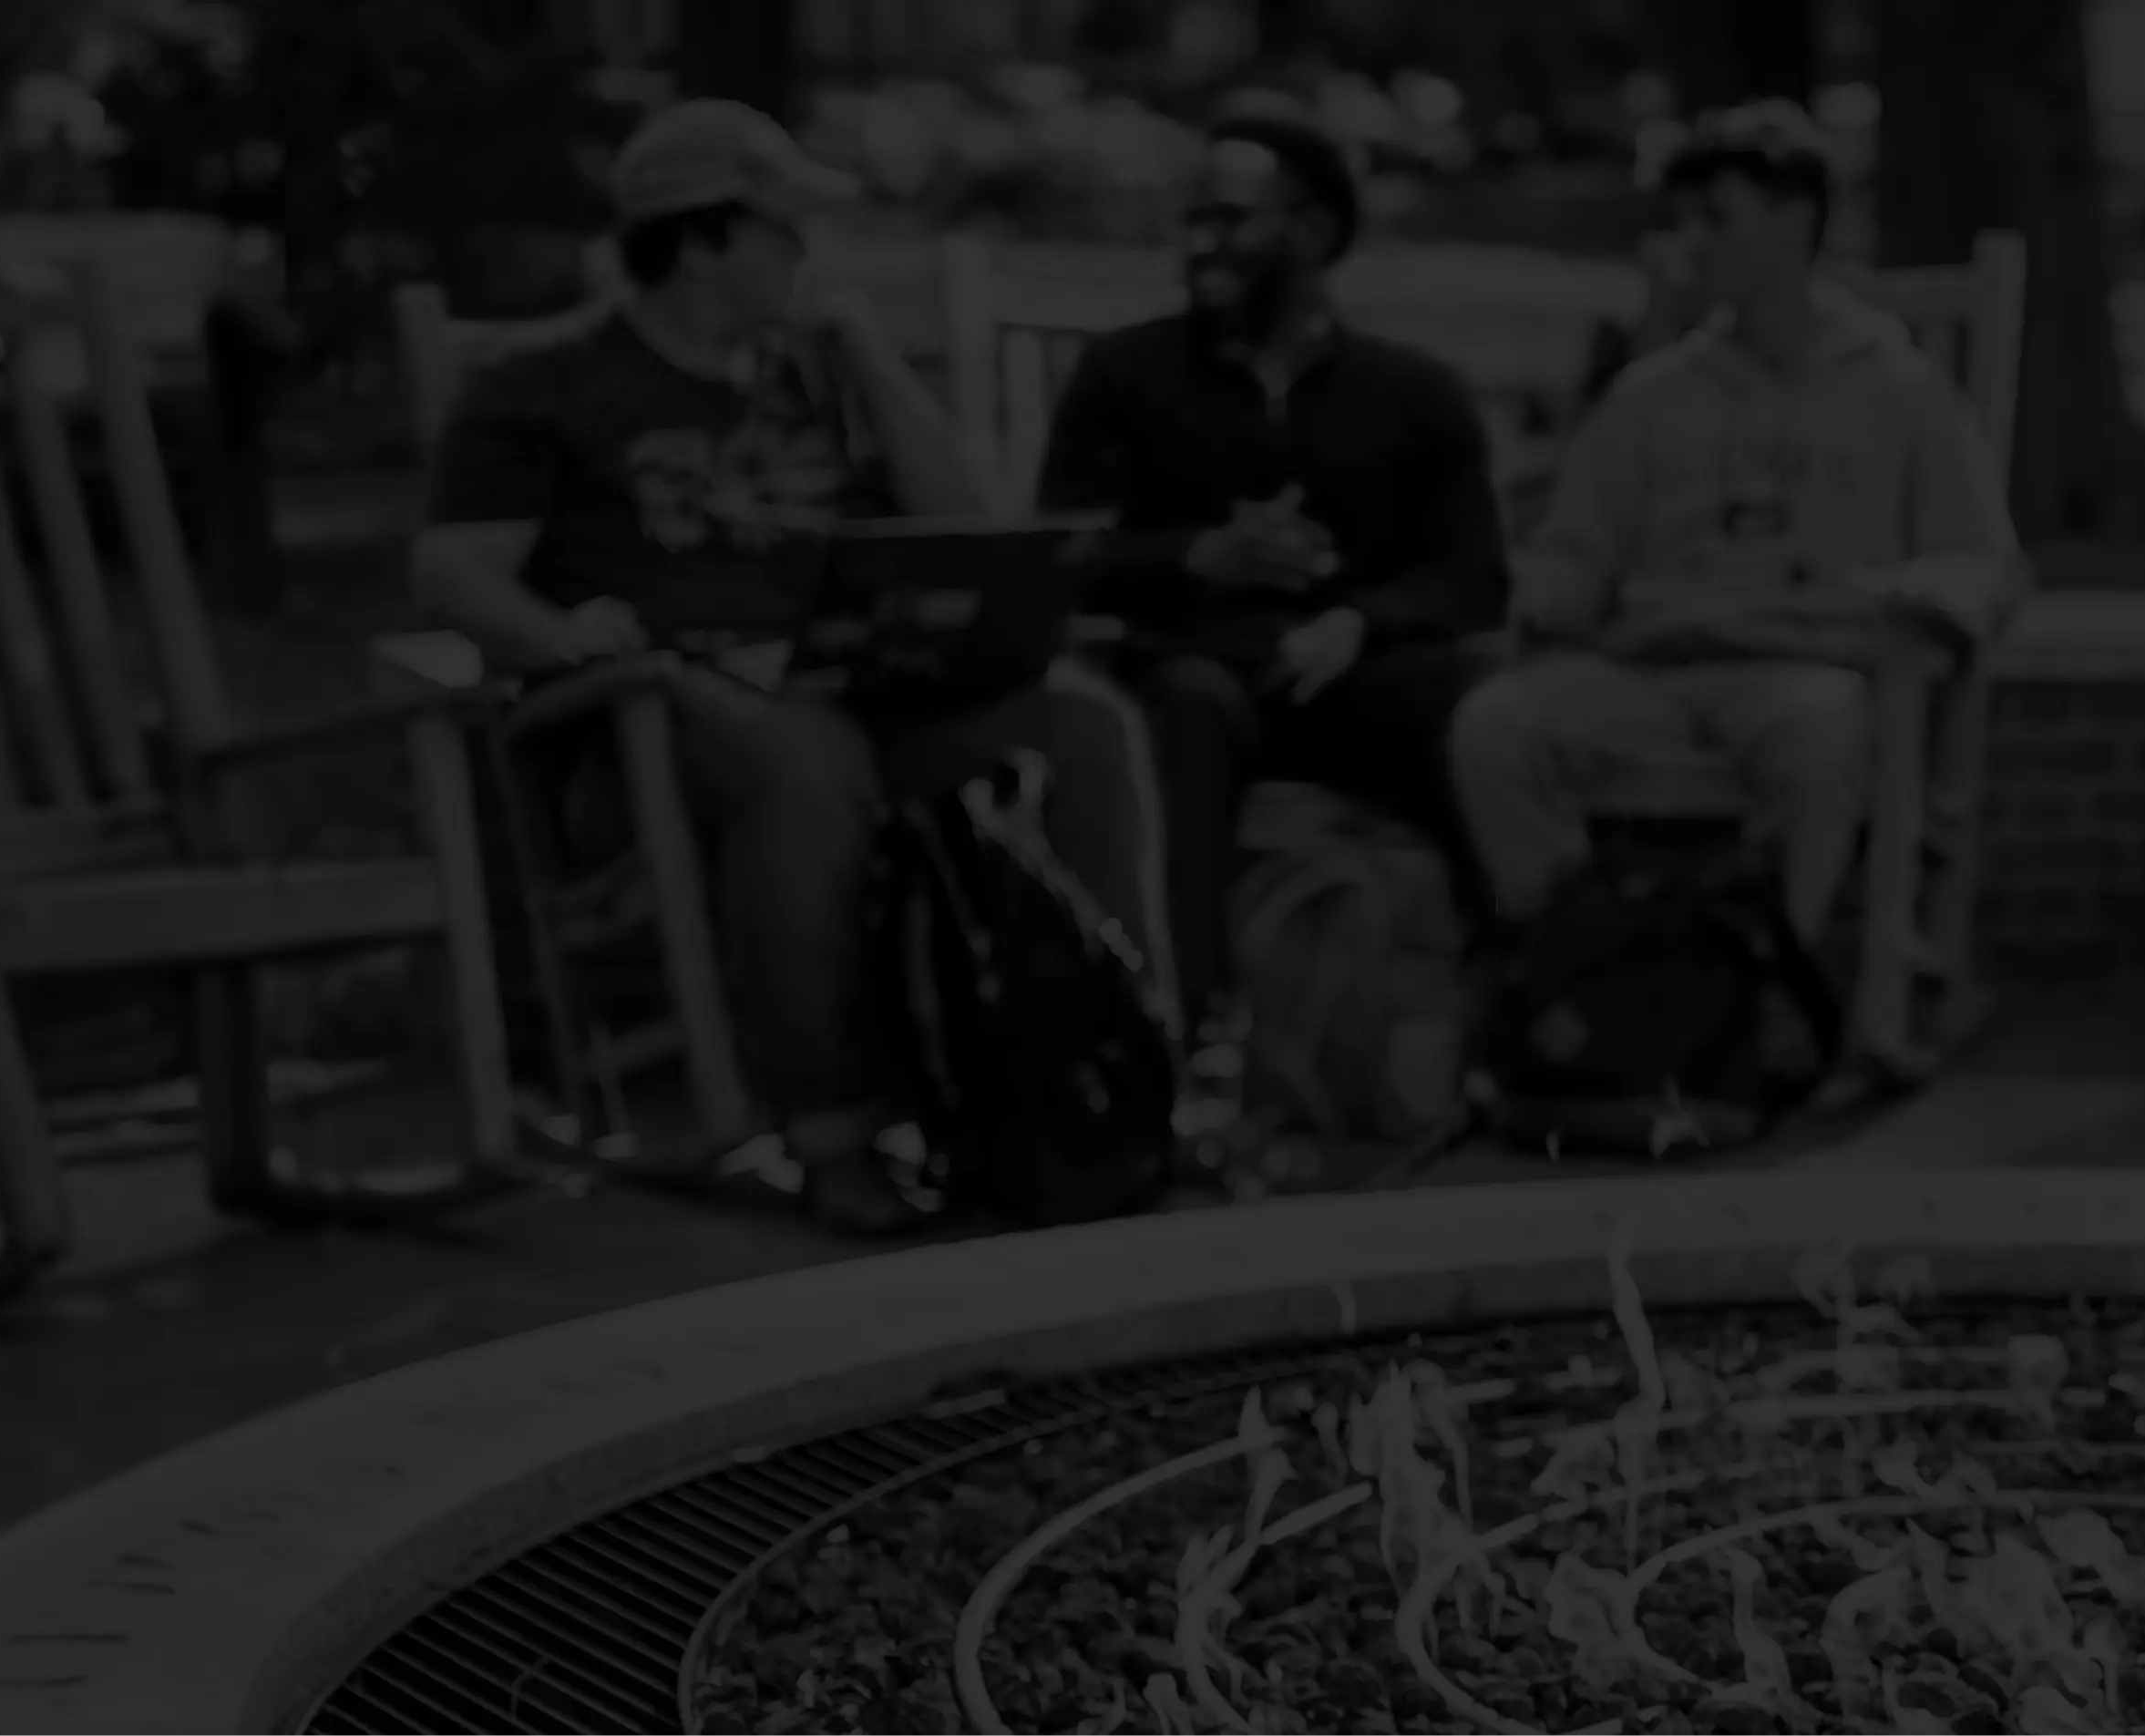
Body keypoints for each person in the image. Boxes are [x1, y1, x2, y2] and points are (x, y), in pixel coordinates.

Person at [411, 99, 1166, 1235]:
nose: (808, 252)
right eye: (783, 229)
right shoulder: (542, 382)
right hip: (650, 722)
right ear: (701, 240)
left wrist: (867, 356)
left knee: (1080, 723)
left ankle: (1124, 1070)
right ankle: (833, 1132)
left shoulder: (814, 373)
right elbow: (451, 575)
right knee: (805, 758)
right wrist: (562, 637)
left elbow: (961, 522)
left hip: (853, 690)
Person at [1453, 108, 2023, 945]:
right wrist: (1531, 595)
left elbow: (1979, 561)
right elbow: (1578, 553)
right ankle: (1577, 966)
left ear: (1795, 221)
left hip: (1804, 672)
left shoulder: (1899, 389)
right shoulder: (1652, 396)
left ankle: (1773, 978)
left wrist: (1902, 600)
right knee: (1495, 729)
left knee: (1819, 736)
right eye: (1681, 219)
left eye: (1716, 218)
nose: (1689, 243)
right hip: (1649, 669)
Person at [1031, 115, 1513, 1063]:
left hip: (1353, 678)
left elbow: (1472, 578)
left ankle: (1499, 1013)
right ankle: (1185, 1031)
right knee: (1183, 711)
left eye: (1231, 218)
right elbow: (1060, 556)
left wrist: (1357, 620)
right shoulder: (1125, 377)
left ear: (1314, 231)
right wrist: (1196, 557)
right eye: (1193, 219)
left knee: (1471, 707)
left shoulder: (1415, 395)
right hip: (1192, 666)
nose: (1201, 243)